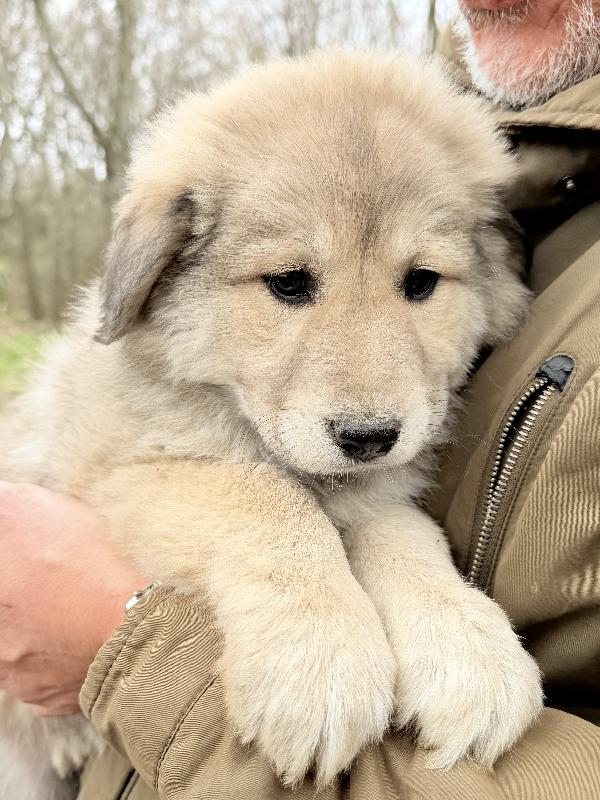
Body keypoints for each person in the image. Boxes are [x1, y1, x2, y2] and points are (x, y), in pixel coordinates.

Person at [1, 0, 599, 797]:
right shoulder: (537, 160)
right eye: (289, 281)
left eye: (420, 280)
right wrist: (280, 571)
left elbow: (369, 503)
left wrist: (414, 576)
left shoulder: (485, 190)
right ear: (159, 271)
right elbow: (123, 476)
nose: (369, 398)